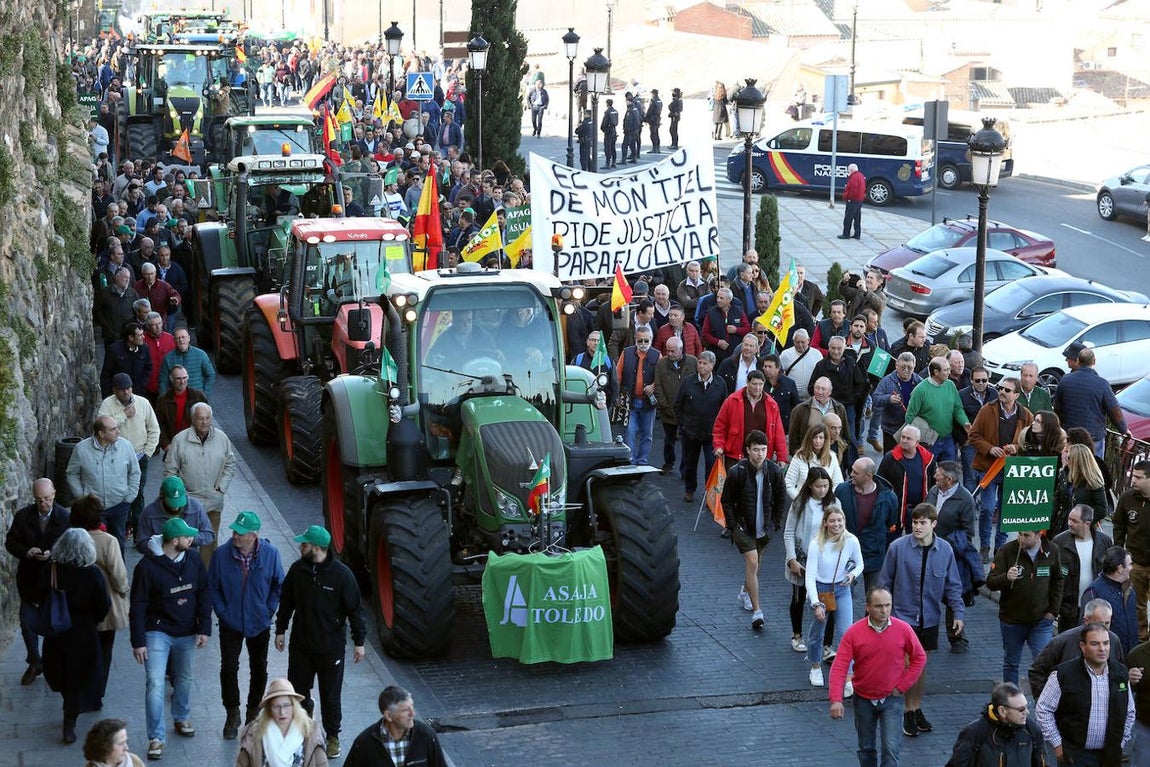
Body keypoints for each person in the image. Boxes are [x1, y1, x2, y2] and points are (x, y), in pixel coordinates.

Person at [275, 525, 368, 760]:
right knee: (298, 692)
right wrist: (280, 630)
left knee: (330, 696)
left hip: (330, 648)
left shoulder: (342, 575)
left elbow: (356, 610)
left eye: (304, 544)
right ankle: (302, 732)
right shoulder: (297, 571)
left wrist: (360, 642)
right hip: (301, 647)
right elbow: (286, 601)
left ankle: (333, 736)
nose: (300, 547)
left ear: (316, 548)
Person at [878, 503, 964, 737]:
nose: (917, 527)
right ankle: (907, 711)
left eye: (922, 523)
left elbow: (953, 585)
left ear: (933, 524)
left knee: (921, 666)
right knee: (908, 665)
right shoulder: (898, 548)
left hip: (930, 619)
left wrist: (958, 613)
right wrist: (882, 615)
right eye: (915, 522)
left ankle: (916, 708)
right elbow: (884, 582)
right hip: (903, 619)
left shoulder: (945, 550)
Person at [130, 517, 211, 761]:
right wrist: (138, 641)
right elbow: (138, 605)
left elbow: (204, 593)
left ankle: (181, 716)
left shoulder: (194, 559)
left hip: (187, 630)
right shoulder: (146, 567)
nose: (192, 540)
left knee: (184, 677)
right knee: (155, 682)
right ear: (175, 541)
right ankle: (156, 737)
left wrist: (204, 627)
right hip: (157, 631)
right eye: (187, 537)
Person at [828, 586, 927, 767]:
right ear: (868, 607)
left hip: (892, 699)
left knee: (891, 750)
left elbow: (919, 657)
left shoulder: (903, 629)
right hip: (863, 699)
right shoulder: (854, 632)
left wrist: (902, 686)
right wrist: (836, 699)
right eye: (879, 606)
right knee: (866, 748)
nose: (884, 611)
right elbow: (839, 666)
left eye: (888, 605)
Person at [210, 511, 285, 739]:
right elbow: (212, 586)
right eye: (234, 531)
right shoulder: (221, 554)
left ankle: (253, 712)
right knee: (229, 668)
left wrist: (268, 610)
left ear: (254, 536)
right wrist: (223, 612)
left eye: (240, 533)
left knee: (259, 668)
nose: (235, 536)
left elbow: (278, 585)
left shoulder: (271, 554)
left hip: (259, 622)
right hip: (230, 623)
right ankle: (232, 712)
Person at [40, 528, 111, 743]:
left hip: (57, 632)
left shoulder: (51, 569)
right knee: (79, 676)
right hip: (84, 634)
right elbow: (103, 605)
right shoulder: (93, 574)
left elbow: (40, 594)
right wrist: (93, 620)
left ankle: (69, 713)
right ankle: (70, 716)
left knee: (61, 672)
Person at [1035, 622, 1134, 766]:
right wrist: (1057, 745)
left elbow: (1129, 711)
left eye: (1106, 643)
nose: (1102, 649)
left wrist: (1120, 742)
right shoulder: (1063, 674)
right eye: (1095, 644)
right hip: (1075, 757)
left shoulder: (1121, 673)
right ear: (1082, 646)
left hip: (1109, 756)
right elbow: (1043, 709)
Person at [5, 477, 70, 686]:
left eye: (48, 499)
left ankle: (53, 663)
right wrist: (27, 551)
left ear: (54, 495)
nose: (44, 504)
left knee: (54, 623)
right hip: (30, 579)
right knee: (27, 623)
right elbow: (10, 542)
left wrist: (54, 552)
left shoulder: (64, 517)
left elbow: (70, 545)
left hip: (53, 580)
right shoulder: (24, 516)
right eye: (40, 500)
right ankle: (34, 661)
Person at [721, 430, 788, 631]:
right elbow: (726, 501)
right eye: (756, 449)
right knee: (752, 561)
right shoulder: (737, 472)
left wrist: (775, 524)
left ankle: (745, 591)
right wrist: (733, 526)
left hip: (764, 529)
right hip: (743, 527)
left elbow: (780, 499)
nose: (760, 454)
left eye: (764, 449)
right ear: (748, 450)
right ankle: (757, 611)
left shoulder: (774, 471)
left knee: (755, 565)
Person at [69, 495, 130, 703]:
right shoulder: (108, 541)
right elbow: (118, 574)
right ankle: (98, 692)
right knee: (105, 649)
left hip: (78, 605)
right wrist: (123, 590)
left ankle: (83, 686)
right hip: (105, 604)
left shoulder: (71, 539)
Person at [987, 529, 1065, 685]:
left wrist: (1053, 611)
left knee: (1044, 662)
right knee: (1011, 662)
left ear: (1038, 535)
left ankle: (1043, 702)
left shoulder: (1052, 550)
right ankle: (1011, 702)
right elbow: (990, 581)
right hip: (1012, 620)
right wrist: (1006, 577)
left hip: (1041, 621)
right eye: (1019, 534)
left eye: (1026, 535)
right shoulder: (1007, 551)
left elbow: (1058, 581)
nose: (1021, 538)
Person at [968, 376, 1032, 560]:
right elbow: (973, 435)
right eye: (1000, 388)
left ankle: (1000, 549)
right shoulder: (987, 410)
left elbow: (1032, 442)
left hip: (1011, 471)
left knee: (1006, 512)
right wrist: (990, 449)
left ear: (1017, 395)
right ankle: (985, 547)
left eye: (1007, 390)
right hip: (989, 468)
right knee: (987, 509)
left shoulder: (1026, 415)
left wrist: (1017, 448)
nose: (1002, 392)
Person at [164, 402, 236, 565]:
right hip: (188, 502)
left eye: (207, 418)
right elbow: (170, 471)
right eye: (200, 418)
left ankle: (206, 578)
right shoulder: (180, 440)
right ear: (192, 419)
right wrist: (179, 495)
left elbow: (230, 464)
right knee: (184, 542)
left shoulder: (222, 438)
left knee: (210, 542)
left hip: (213, 501)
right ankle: (186, 574)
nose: (204, 422)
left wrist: (221, 488)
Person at [804, 504, 864, 687]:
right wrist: (815, 603)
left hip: (842, 588)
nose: (837, 524)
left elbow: (860, 564)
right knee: (817, 633)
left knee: (847, 632)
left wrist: (852, 575)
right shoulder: (816, 544)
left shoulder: (851, 540)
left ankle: (848, 675)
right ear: (825, 523)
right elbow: (810, 576)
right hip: (821, 590)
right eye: (833, 521)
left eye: (840, 520)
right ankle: (815, 666)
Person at [98, 371, 160, 536]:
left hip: (139, 456)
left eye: (128, 388)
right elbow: (101, 429)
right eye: (122, 389)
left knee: (138, 491)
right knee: (119, 491)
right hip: (115, 459)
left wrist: (147, 453)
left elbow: (154, 429)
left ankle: (138, 526)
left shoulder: (143, 403)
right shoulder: (107, 405)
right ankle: (123, 524)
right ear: (115, 390)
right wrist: (123, 415)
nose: (126, 392)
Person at [66, 415, 141, 548]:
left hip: (120, 505)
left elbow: (135, 472)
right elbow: (72, 473)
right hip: (94, 508)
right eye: (113, 429)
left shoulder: (125, 446)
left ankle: (118, 568)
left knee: (118, 542)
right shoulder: (81, 449)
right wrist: (82, 496)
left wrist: (130, 496)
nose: (118, 431)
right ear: (101, 433)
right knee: (94, 544)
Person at [785, 467, 837, 655]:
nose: (822, 490)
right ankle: (797, 635)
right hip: (803, 559)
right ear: (810, 486)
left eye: (825, 486)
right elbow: (789, 531)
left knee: (828, 601)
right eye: (818, 486)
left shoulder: (834, 502)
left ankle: (826, 645)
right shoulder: (800, 503)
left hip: (826, 560)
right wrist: (791, 559)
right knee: (799, 598)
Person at [1030, 598, 1129, 698]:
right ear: (1086, 620)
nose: (1103, 628)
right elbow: (1037, 671)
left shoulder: (1114, 640)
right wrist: (1046, 700)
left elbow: (1119, 672)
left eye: (1107, 623)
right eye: (1099, 623)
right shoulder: (1063, 641)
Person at [836, 457, 900, 597]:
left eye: (855, 472)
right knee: (843, 595)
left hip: (874, 554)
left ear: (868, 476)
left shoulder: (889, 498)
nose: (851, 474)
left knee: (874, 597)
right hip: (846, 554)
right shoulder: (842, 491)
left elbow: (891, 526)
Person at [946, 682, 1045, 767]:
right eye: (1021, 709)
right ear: (1002, 711)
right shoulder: (975, 733)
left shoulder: (1032, 730)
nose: (1027, 712)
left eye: (1027, 706)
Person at [345, 685, 448, 767]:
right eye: (405, 710)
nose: (413, 713)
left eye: (412, 706)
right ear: (389, 715)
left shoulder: (426, 735)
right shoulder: (364, 743)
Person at [1054, 348, 1130, 457]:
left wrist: (1060, 428)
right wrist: (1124, 429)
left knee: (1070, 467)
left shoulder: (1065, 380)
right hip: (1093, 436)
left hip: (1070, 435)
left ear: (1078, 361)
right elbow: (1114, 411)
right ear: (1094, 361)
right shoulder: (1102, 384)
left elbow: (1057, 407)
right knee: (1093, 468)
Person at [236, 678, 329, 767]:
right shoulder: (255, 733)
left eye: (286, 705)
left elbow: (322, 764)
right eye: (276, 707)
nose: (282, 712)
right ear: (269, 709)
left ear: (294, 706)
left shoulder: (311, 732)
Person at [674, 350, 727, 504]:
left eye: (705, 363)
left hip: (712, 433)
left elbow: (724, 409)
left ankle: (709, 494)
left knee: (711, 464)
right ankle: (689, 490)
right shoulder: (688, 381)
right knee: (690, 463)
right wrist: (683, 424)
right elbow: (678, 405)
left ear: (712, 365)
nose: (701, 366)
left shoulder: (720, 384)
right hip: (690, 431)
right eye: (699, 362)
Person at [1052, 505, 1111, 631]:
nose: (1069, 523)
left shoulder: (1104, 542)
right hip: (1069, 610)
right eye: (1069, 519)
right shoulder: (1059, 542)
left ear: (1087, 523)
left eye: (1074, 521)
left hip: (1096, 609)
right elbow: (1053, 576)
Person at [713, 369, 789, 465]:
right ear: (747, 383)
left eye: (760, 384)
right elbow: (720, 426)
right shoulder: (732, 400)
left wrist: (781, 457)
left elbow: (778, 433)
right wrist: (719, 446)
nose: (757, 387)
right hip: (735, 456)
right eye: (754, 384)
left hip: (762, 457)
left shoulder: (771, 404)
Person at [904, 356, 970, 462]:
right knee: (930, 474)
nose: (949, 372)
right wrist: (926, 435)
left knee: (950, 473)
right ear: (936, 372)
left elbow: (958, 408)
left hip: (948, 439)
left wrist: (965, 422)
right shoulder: (920, 390)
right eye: (946, 370)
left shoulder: (950, 385)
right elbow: (910, 417)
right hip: (928, 443)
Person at [1112, 460, 1150, 643]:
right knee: (1137, 604)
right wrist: (1119, 550)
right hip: (1136, 563)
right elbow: (1118, 524)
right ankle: (1141, 640)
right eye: (1133, 475)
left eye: (1138, 477)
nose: (1133, 480)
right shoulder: (1127, 498)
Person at [1081, 546, 1140, 659]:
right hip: (1108, 658)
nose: (1132, 568)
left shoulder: (1129, 587)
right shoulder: (1093, 592)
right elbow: (1085, 629)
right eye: (1130, 564)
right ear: (1120, 568)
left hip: (1131, 655)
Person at [877, 425, 935, 536]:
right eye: (902, 437)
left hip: (920, 509)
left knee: (918, 542)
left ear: (916, 442)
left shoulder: (927, 459)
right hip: (896, 510)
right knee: (892, 541)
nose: (904, 440)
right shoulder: (890, 458)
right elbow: (880, 482)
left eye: (908, 438)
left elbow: (933, 483)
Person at [616, 326, 660, 466]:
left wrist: (653, 386)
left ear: (651, 340)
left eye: (646, 341)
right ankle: (631, 460)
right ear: (635, 340)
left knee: (647, 434)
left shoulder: (657, 355)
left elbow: (661, 377)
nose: (643, 344)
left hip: (648, 402)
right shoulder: (626, 353)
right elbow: (618, 375)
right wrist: (617, 396)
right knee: (629, 431)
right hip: (630, 401)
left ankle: (642, 461)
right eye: (640, 340)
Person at [653, 336, 697, 475]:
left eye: (673, 351)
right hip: (668, 410)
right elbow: (658, 386)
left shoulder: (692, 362)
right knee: (669, 440)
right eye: (668, 351)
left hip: (687, 411)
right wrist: (665, 405)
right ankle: (668, 463)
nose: (669, 354)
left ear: (681, 350)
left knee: (687, 442)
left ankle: (685, 468)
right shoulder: (661, 363)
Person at [1053, 444, 1108, 536]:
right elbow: (1056, 501)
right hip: (1061, 524)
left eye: (1070, 457)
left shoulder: (1093, 481)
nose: (1066, 458)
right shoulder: (1065, 474)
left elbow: (1102, 510)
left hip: (1081, 530)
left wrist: (1083, 522)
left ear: (1078, 460)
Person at [788, 376, 849, 456]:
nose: (820, 392)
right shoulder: (801, 409)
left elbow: (845, 434)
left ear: (830, 392)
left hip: (832, 454)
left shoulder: (839, 408)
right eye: (817, 388)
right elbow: (793, 436)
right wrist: (798, 454)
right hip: (808, 454)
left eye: (823, 389)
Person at [155, 365, 209, 452]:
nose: (182, 381)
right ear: (171, 379)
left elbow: (207, 422)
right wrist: (165, 444)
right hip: (173, 446)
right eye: (178, 378)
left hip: (195, 445)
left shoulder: (199, 396)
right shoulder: (163, 400)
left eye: (184, 377)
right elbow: (159, 424)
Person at [785, 423, 844, 500]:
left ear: (825, 439)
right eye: (815, 437)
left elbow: (838, 483)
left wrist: (827, 499)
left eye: (821, 438)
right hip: (803, 502)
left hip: (825, 504)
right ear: (809, 438)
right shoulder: (799, 457)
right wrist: (800, 500)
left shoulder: (832, 457)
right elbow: (788, 483)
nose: (818, 441)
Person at [779, 328, 823, 395]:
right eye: (797, 342)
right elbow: (778, 372)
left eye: (803, 342)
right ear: (793, 341)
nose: (800, 345)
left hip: (812, 396)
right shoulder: (786, 354)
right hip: (792, 395)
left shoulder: (817, 354)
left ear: (808, 341)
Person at [838, 163, 866, 240]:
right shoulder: (860, 175)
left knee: (848, 218)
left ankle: (846, 233)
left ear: (851, 170)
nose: (848, 172)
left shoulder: (853, 178)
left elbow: (853, 190)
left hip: (853, 200)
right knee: (857, 218)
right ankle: (857, 234)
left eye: (848, 170)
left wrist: (848, 198)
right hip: (859, 200)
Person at [601, 97, 618, 168]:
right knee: (613, 147)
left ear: (607, 104)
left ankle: (607, 163)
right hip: (614, 130)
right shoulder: (615, 111)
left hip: (608, 131)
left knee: (607, 148)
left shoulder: (607, 112)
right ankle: (614, 162)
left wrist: (603, 129)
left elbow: (604, 123)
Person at [644, 87, 662, 153]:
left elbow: (650, 110)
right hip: (657, 118)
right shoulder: (659, 100)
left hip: (653, 119)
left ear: (653, 94)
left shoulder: (653, 100)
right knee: (656, 133)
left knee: (653, 134)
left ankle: (654, 148)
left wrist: (646, 118)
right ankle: (657, 148)